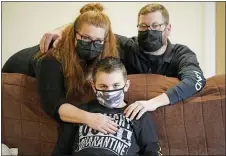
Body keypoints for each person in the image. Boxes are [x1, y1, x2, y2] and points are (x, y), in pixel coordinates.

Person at [40, 3, 206, 120]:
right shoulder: (128, 46)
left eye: (156, 26)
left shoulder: (182, 53)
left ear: (168, 29)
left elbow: (196, 80)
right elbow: (92, 25)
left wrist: (152, 104)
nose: (149, 31)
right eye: (143, 26)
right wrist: (62, 30)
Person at [2, 3, 121, 139]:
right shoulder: (53, 58)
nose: (92, 44)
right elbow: (53, 104)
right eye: (86, 38)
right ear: (73, 33)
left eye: (98, 41)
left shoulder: (107, 43)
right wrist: (89, 118)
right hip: (16, 70)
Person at [69, 56, 161, 156]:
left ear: (126, 86)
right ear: (94, 87)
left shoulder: (137, 113)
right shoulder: (81, 112)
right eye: (103, 86)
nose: (109, 91)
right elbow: (62, 149)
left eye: (116, 85)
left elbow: (152, 149)